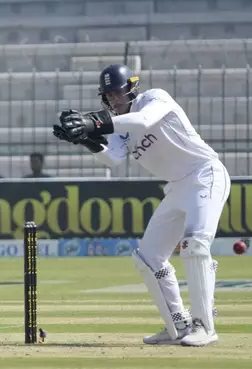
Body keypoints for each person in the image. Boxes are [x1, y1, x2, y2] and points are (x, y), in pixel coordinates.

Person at [53, 64, 229, 347]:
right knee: (148, 257)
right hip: (176, 187)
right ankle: (178, 325)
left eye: (117, 93)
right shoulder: (121, 128)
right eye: (107, 97)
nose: (113, 101)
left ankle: (204, 326)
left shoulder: (155, 99)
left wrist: (93, 124)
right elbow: (112, 159)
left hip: (204, 175)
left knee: (195, 245)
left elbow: (144, 121)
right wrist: (86, 139)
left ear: (131, 88)